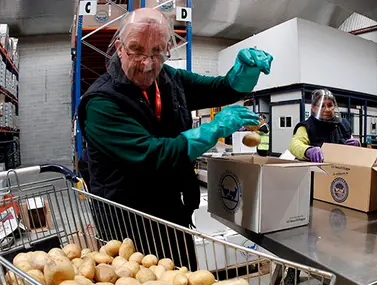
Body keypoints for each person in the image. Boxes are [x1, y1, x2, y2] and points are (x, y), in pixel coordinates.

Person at [77, 8, 272, 267]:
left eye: (157, 52)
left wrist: (244, 72)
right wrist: (213, 129)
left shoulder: (170, 78)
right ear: (119, 48)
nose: (147, 64)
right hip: (127, 224)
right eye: (136, 50)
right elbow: (152, 155)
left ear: (168, 48)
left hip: (171, 214)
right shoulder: (101, 102)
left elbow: (219, 89)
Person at [289, 89, 352, 163]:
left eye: (330, 105)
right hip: (317, 171)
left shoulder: (343, 124)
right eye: (321, 106)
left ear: (334, 106)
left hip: (342, 169)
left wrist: (356, 143)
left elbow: (351, 138)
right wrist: (308, 150)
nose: (327, 109)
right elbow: (294, 145)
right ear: (313, 108)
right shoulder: (307, 126)